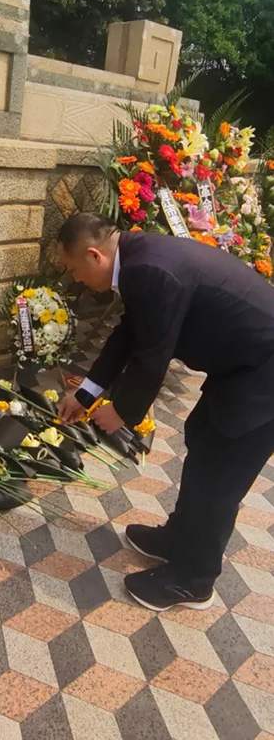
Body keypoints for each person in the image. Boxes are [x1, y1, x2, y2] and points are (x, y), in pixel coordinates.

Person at [55, 212, 274, 612]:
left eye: (73, 269)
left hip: (263, 378)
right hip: (243, 368)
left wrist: (121, 412)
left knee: (220, 477)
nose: (77, 279)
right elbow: (130, 332)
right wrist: (86, 394)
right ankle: (179, 539)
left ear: (94, 255)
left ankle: (193, 581)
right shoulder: (140, 260)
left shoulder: (150, 270)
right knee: (204, 445)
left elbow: (152, 356)